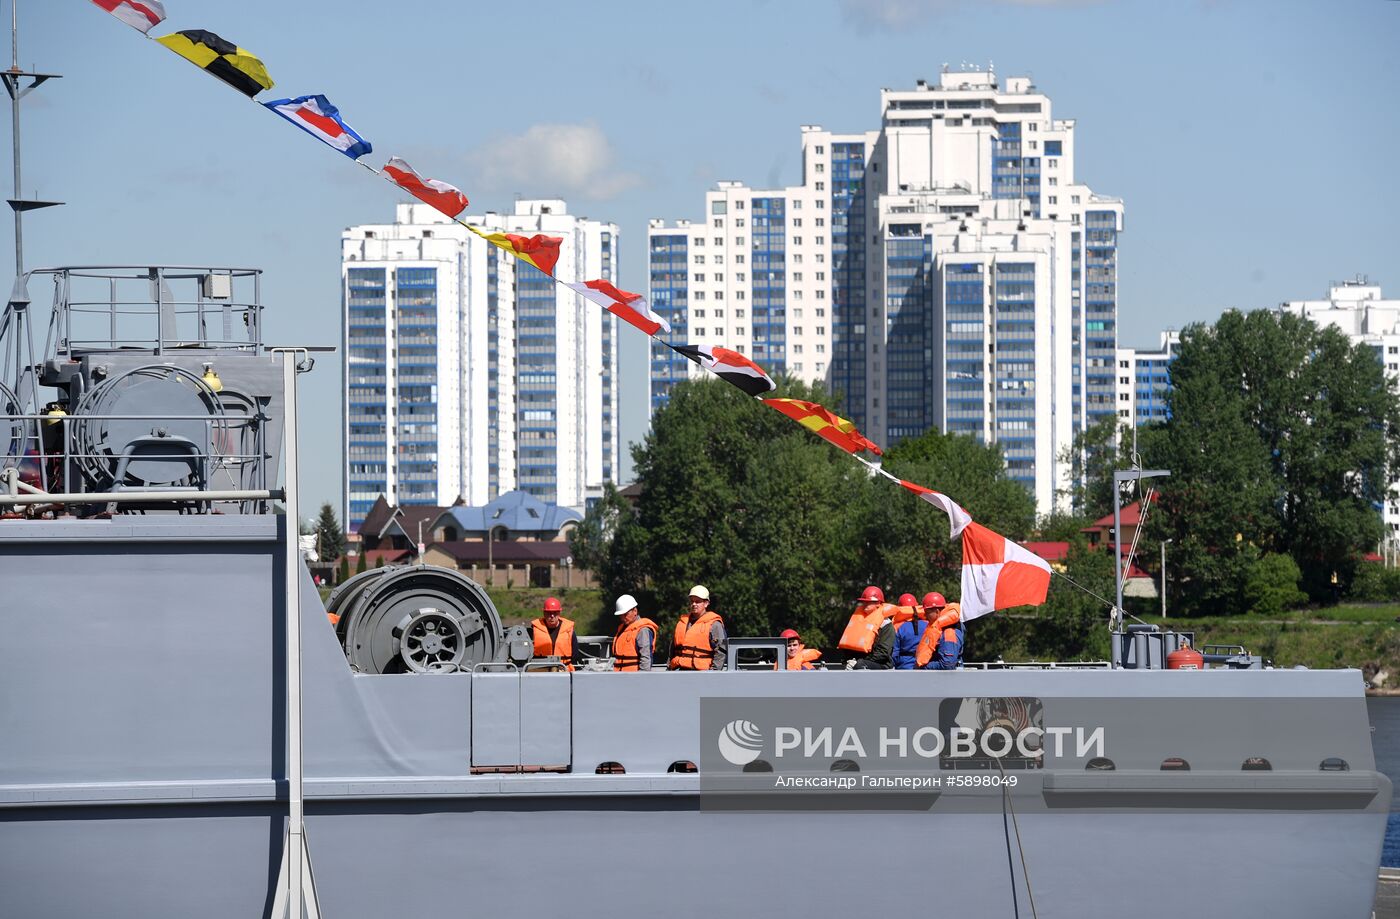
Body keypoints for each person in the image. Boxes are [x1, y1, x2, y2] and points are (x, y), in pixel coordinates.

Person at [669, 585, 727, 671]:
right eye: (692, 601)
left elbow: (720, 651)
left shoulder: (715, 624)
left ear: (706, 603)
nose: (694, 604)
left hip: (702, 673)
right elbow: (672, 649)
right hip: (680, 670)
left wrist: (714, 673)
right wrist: (669, 667)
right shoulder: (682, 622)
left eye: (697, 602)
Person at [839, 585, 897, 670]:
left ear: (878, 603)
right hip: (859, 662)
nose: (865, 604)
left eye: (869, 602)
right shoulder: (858, 620)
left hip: (880, 665)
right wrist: (848, 660)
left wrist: (860, 662)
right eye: (864, 601)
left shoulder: (886, 625)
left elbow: (883, 653)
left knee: (860, 666)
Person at [914, 592, 964, 670]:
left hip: (948, 680)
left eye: (927, 613)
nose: (925, 616)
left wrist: (923, 667)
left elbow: (947, 664)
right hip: (938, 679)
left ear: (937, 611)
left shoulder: (949, 632)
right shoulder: (940, 629)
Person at [611, 594, 658, 671]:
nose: (623, 618)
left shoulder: (643, 630)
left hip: (634, 679)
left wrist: (641, 680)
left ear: (635, 611)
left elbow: (645, 659)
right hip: (619, 677)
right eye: (620, 615)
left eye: (625, 614)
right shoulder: (622, 629)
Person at [530, 596, 578, 671]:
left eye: (555, 613)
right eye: (549, 613)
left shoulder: (569, 630)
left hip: (563, 669)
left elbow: (575, 655)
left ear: (559, 613)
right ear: (544, 613)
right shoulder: (534, 630)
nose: (552, 616)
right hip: (540, 669)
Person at [892, 593, 928, 670]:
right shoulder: (928, 624)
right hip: (924, 666)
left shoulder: (898, 627)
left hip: (904, 667)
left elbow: (894, 654)